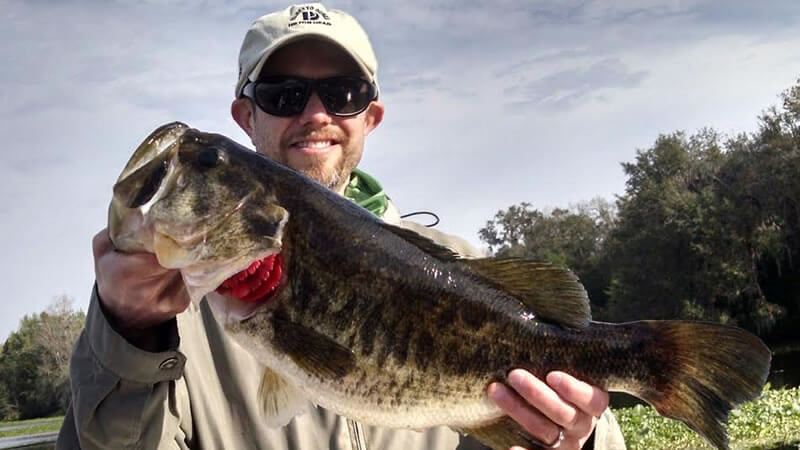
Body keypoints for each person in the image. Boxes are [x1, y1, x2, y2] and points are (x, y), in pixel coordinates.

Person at [57, 3, 626, 449]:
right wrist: (128, 336)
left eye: (342, 94)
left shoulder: (466, 269)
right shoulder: (159, 318)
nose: (315, 115)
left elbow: (572, 432)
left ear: (369, 117)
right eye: (283, 94)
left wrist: (578, 435)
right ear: (244, 117)